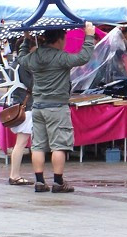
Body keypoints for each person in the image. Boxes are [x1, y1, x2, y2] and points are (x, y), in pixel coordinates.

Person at [17, 23, 96, 193]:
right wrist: (89, 36)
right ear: (59, 39)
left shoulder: (34, 57)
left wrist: (26, 40)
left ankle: (39, 182)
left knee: (37, 145)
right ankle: (58, 182)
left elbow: (21, 59)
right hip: (57, 108)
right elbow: (83, 57)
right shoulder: (61, 57)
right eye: (64, 39)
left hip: (38, 107)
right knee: (59, 145)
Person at [8, 36, 36, 186]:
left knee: (21, 142)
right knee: (21, 142)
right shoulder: (24, 63)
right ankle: (15, 175)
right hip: (26, 105)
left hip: (19, 103)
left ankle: (15, 174)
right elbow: (30, 84)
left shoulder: (16, 62)